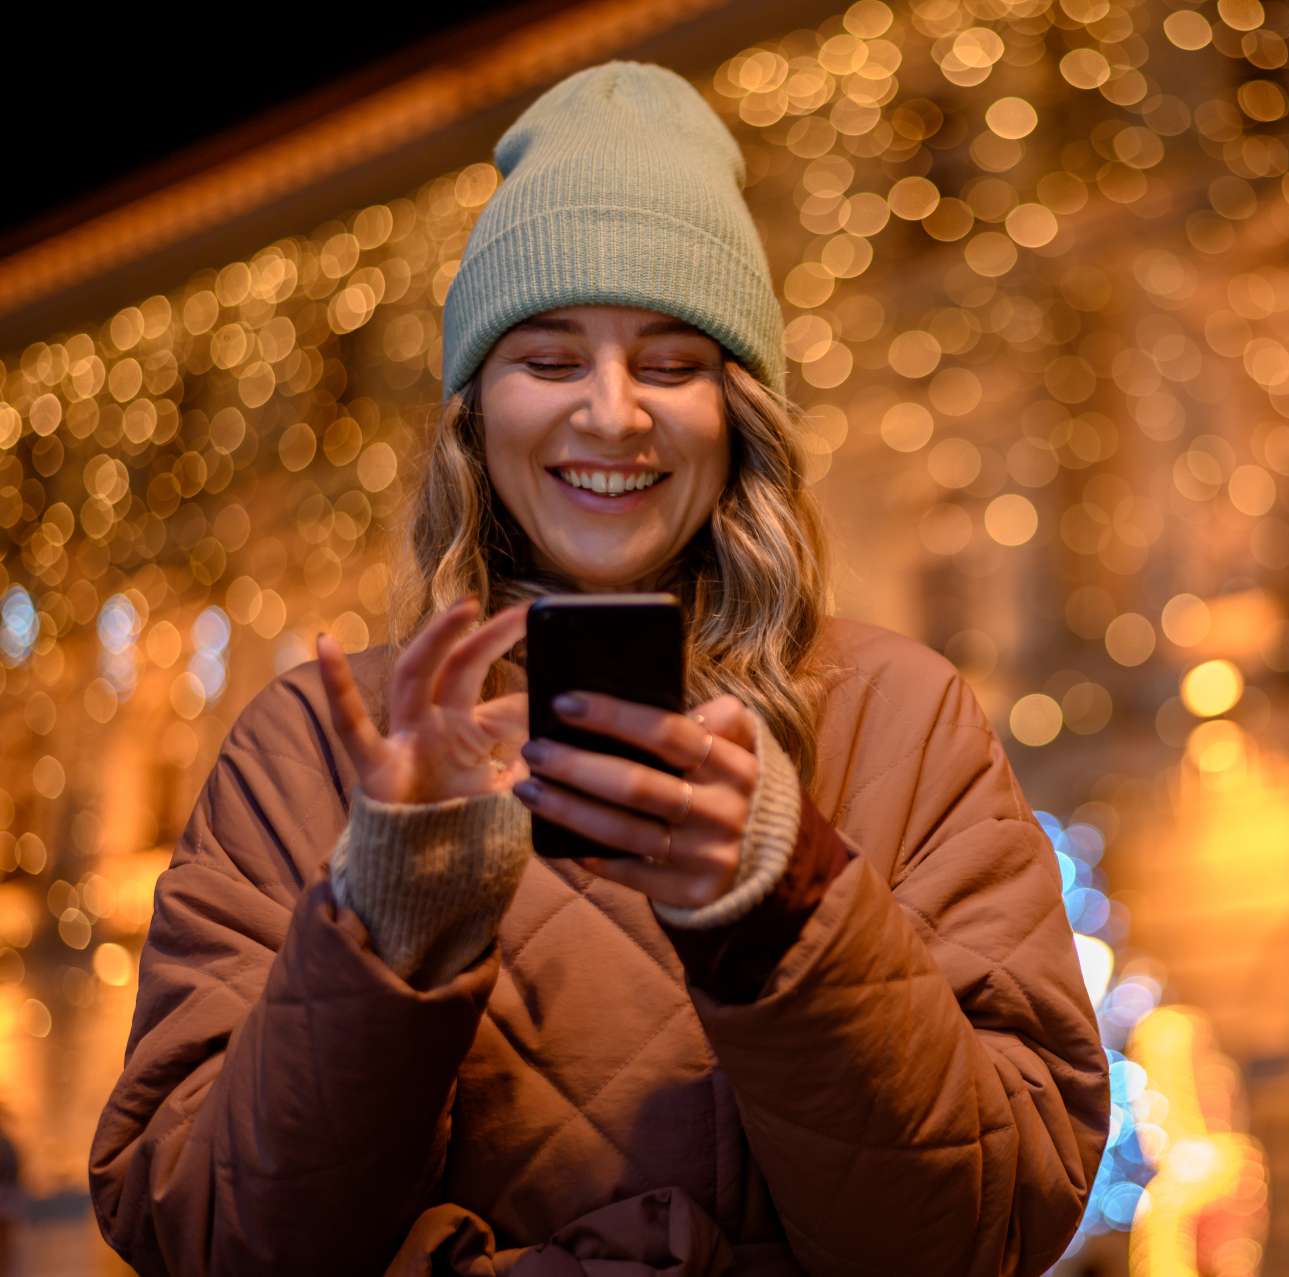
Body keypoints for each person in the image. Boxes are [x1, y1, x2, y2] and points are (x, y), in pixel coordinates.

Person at [88, 61, 1108, 1276]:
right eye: (551, 358)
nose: (613, 414)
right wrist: (394, 906)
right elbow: (208, 1235)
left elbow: (989, 1224)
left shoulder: (901, 716)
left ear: (740, 413)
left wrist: (784, 899)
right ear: (474, 412)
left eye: (673, 364)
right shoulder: (312, 738)